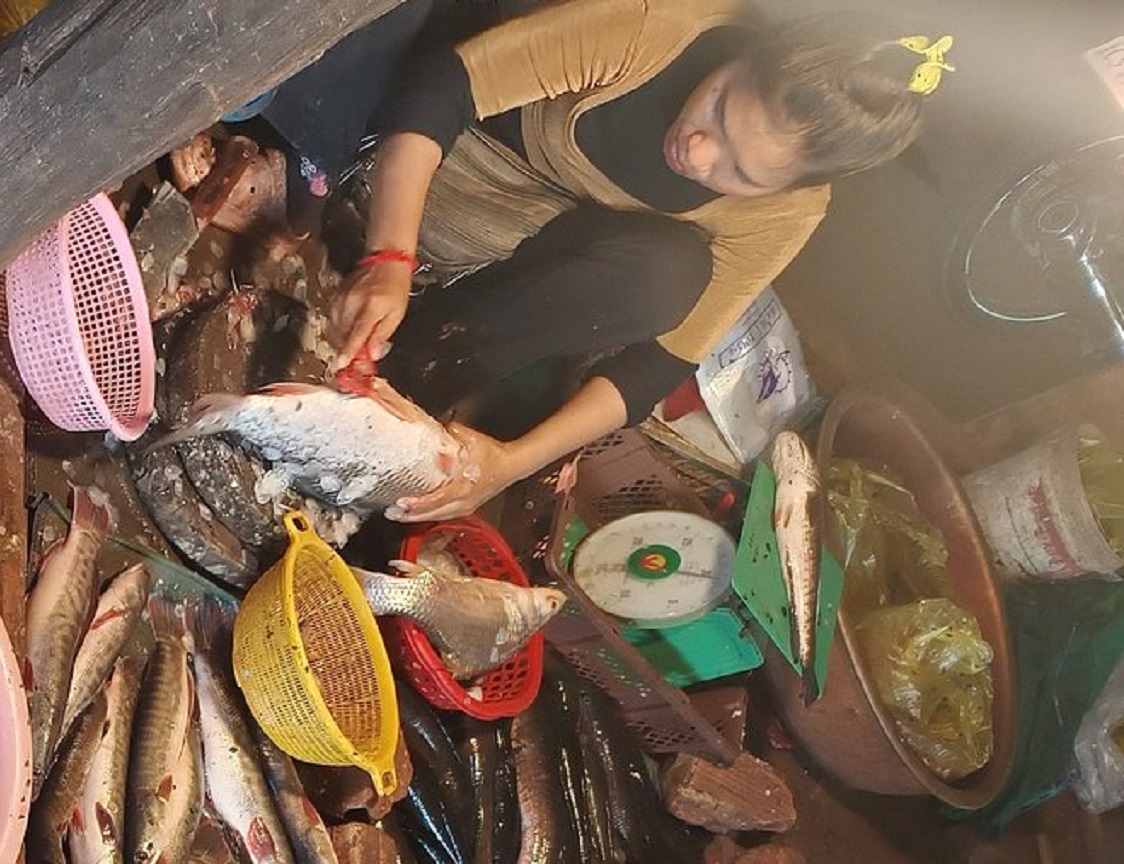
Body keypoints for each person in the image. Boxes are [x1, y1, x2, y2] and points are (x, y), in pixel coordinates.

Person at [321, 1, 948, 522]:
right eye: (720, 106)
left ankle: (393, 371)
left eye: (740, 171)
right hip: (433, 166)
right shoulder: (658, 27)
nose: (698, 152)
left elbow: (660, 362)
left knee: (669, 275)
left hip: (507, 251)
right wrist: (390, 256)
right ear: (745, 56)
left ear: (789, 186)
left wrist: (508, 464)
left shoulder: (789, 213)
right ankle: (352, 270)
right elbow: (444, 85)